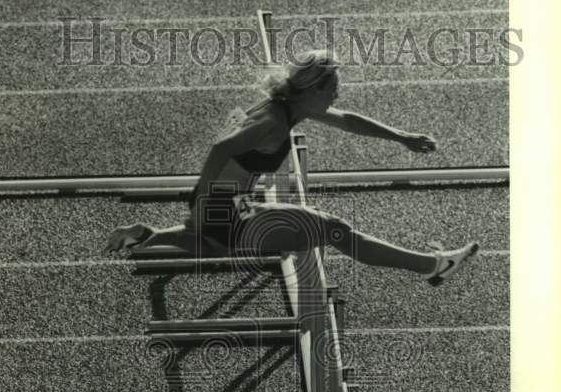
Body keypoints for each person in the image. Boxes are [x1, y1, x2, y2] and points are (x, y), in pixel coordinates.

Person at [106, 51, 479, 285]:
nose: (337, 94)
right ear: (313, 90)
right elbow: (221, 147)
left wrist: (401, 136)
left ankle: (147, 234)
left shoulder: (287, 107)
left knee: (206, 242)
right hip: (223, 206)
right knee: (335, 232)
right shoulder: (273, 121)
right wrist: (201, 198)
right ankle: (434, 265)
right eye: (333, 87)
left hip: (228, 205)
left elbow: (348, 119)